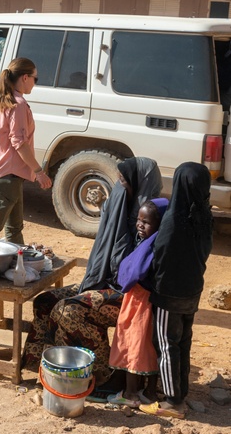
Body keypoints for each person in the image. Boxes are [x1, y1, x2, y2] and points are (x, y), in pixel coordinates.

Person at [22, 157, 162, 385]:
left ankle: (100, 375)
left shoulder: (152, 218)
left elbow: (135, 272)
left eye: (125, 182)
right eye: (119, 180)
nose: (120, 186)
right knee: (45, 301)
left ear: (140, 183)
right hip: (101, 281)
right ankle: (44, 370)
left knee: (69, 310)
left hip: (129, 295)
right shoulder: (119, 206)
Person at [140, 162, 213, 420]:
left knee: (166, 344)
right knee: (182, 342)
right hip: (192, 291)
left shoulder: (174, 218)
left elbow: (162, 255)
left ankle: (172, 402)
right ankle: (180, 390)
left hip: (169, 293)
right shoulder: (204, 216)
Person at [0, 58, 52, 245]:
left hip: (3, 172)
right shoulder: (18, 103)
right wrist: (39, 172)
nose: (35, 84)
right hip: (7, 174)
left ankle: (17, 264)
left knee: (14, 228)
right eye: (35, 79)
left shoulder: (0, 101)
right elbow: (19, 142)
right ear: (25, 77)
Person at [108, 198, 166, 407]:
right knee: (148, 346)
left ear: (160, 224)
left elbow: (136, 272)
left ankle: (130, 393)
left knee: (133, 343)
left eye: (146, 222)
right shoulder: (154, 242)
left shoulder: (152, 247)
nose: (140, 225)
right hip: (145, 300)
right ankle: (149, 392)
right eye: (139, 220)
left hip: (139, 301)